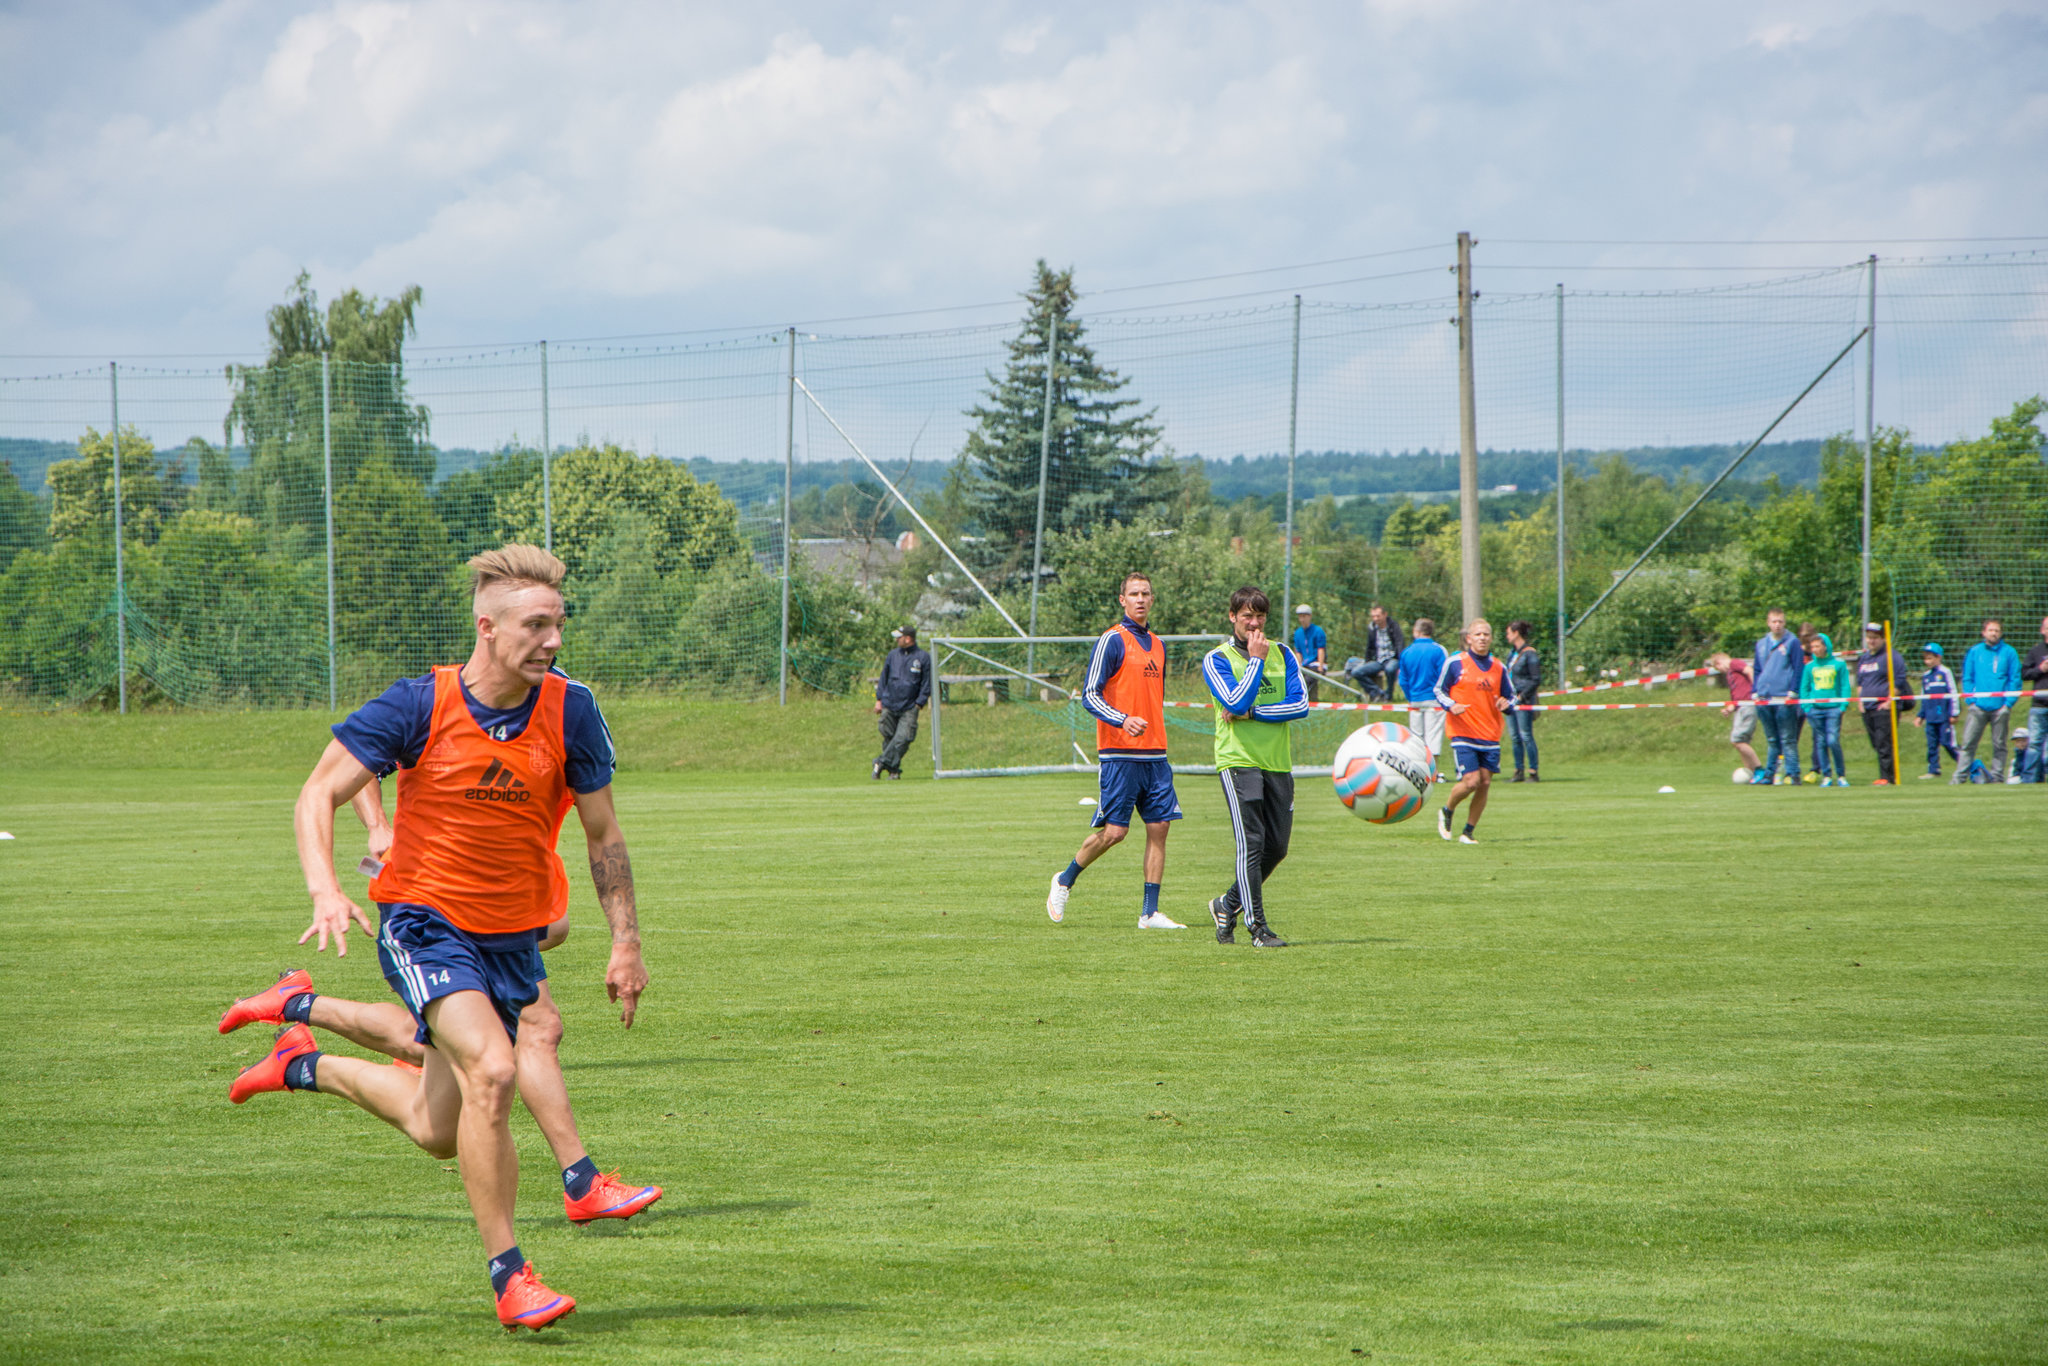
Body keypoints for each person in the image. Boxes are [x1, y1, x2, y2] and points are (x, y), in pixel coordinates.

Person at [227, 544, 651, 1332]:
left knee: (435, 1129)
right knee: (494, 1068)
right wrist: (325, 887)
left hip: (511, 941)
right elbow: (320, 790)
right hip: (422, 921)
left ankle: (301, 1062)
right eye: (535, 625)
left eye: (559, 623)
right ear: (486, 628)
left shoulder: (573, 710)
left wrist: (625, 941)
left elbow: (604, 835)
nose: (553, 640)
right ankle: (512, 1277)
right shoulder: (419, 703)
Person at [221, 785, 660, 1232]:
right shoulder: (443, 714)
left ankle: (298, 1042)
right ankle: (575, 1188)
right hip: (441, 900)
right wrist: (375, 826)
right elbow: (342, 771)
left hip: (505, 895)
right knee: (531, 1031)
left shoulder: (566, 719)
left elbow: (598, 823)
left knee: (436, 1128)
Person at [1046, 572, 1186, 930]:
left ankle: (1149, 912)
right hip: (1120, 754)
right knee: (1115, 833)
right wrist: (1123, 720)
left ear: (1153, 599)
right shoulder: (1112, 640)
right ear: (1122, 599)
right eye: (1134, 594)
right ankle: (1064, 879)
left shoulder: (1158, 644)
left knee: (1159, 828)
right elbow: (1090, 695)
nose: (1140, 599)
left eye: (1146, 593)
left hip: (1155, 755)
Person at [1202, 586, 1310, 948]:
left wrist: (1253, 713)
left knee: (1276, 848)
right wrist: (1255, 661)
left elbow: (1299, 706)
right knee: (1252, 844)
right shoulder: (1216, 659)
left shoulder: (1284, 654)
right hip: (1238, 761)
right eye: (1247, 616)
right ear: (1232, 617)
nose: (1254, 623)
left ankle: (1226, 904)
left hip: (1277, 762)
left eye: (1260, 616)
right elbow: (1234, 699)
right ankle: (1257, 928)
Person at [1433, 619, 1517, 844]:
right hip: (1463, 732)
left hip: (1489, 734)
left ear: (1491, 638)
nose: (1482, 638)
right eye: (1478, 634)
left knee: (1485, 783)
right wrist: (1451, 705)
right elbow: (1439, 690)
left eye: (1486, 634)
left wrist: (1506, 704)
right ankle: (1447, 810)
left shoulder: (1499, 667)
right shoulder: (1455, 663)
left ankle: (1468, 832)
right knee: (1471, 781)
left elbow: (1512, 696)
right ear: (1469, 638)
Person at [1957, 618, 2022, 784]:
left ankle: (1997, 778)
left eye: (1997, 630)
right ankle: (1959, 778)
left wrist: (2008, 703)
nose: (1994, 633)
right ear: (1984, 632)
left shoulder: (2009, 653)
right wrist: (1970, 701)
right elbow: (1967, 677)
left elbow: (2014, 679)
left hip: (2000, 707)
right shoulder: (1974, 652)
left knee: (1999, 745)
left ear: (2000, 633)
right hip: (1978, 707)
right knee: (1968, 743)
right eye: (1991, 630)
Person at [1852, 623, 1913, 785]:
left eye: (1875, 638)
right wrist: (1860, 702)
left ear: (1882, 638)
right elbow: (1860, 682)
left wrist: (1888, 701)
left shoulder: (1891, 656)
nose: (1871, 641)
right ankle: (1886, 775)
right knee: (1876, 743)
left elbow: (1899, 680)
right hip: (1868, 707)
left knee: (1884, 742)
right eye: (1869, 638)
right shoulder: (1864, 658)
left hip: (1884, 707)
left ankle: (1887, 777)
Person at [1752, 609, 1805, 785]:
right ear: (1768, 623)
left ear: (1784, 623)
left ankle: (1793, 773)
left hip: (1784, 697)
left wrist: (1793, 690)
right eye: (1774, 621)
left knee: (1788, 737)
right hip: (1764, 697)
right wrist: (1755, 690)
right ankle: (1769, 773)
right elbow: (1757, 669)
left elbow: (1798, 667)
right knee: (1772, 738)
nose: (1777, 625)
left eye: (1780, 621)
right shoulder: (1761, 644)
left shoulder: (1792, 642)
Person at [872, 625, 932, 779]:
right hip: (890, 704)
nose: (897, 640)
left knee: (904, 738)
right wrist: (879, 700)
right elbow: (884, 677)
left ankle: (880, 763)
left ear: (908, 638)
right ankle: (893, 771)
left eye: (899, 637)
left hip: (909, 706)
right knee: (889, 737)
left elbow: (927, 683)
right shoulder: (892, 655)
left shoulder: (923, 657)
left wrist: (919, 703)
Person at [1397, 618, 1450, 777]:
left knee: (1416, 737)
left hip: (1415, 699)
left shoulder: (1407, 652)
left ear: (1416, 631)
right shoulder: (1439, 650)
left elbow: (1403, 679)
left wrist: (1410, 696)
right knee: (1433, 736)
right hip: (1434, 699)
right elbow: (1445, 675)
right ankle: (1433, 771)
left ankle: (1419, 771)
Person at [1798, 631, 1850, 786]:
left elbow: (1845, 686)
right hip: (1815, 710)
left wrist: (1843, 705)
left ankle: (1841, 775)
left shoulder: (1839, 664)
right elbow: (1804, 688)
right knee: (1820, 742)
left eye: (1817, 646)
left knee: (1832, 740)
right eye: (1812, 647)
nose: (1814, 649)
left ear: (1825, 646)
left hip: (1834, 709)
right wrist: (1807, 707)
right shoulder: (1809, 667)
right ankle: (1826, 775)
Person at [1709, 651, 1762, 774]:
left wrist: (1756, 691)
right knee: (1740, 742)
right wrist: (1729, 708)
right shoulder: (1730, 674)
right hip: (1740, 707)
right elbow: (1736, 697)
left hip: (1748, 704)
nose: (1720, 671)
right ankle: (1750, 771)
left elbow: (1749, 670)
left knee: (1738, 740)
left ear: (1719, 662)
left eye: (1718, 668)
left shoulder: (1734, 663)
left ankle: (1759, 769)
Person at [1913, 643, 1960, 779]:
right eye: (1925, 659)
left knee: (1948, 743)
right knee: (1932, 744)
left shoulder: (1945, 672)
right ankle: (1934, 769)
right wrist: (1920, 715)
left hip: (1944, 716)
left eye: (1930, 658)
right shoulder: (1926, 676)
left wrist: (1954, 713)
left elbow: (1953, 693)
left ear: (1938, 657)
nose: (1927, 661)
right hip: (1930, 717)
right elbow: (1924, 697)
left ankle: (1964, 764)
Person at [1343, 604, 1406, 703]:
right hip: (1377, 660)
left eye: (1378, 616)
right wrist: (1367, 661)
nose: (1375, 619)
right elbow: (1369, 646)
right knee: (1356, 672)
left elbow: (1399, 643)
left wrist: (1401, 660)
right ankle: (1377, 693)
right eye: (1373, 616)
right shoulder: (1372, 628)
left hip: (1392, 658)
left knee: (1390, 669)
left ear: (1385, 615)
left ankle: (1389, 695)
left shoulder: (1394, 626)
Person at [1503, 620, 1542, 782]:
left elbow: (1535, 679)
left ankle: (1533, 771)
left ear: (1516, 633)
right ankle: (1518, 770)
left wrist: (1522, 696)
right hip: (1510, 700)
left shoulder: (1530, 654)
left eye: (1509, 633)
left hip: (1523, 700)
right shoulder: (1512, 654)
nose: (1507, 636)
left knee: (1526, 735)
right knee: (1514, 736)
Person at [2023, 617, 2048, 782]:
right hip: (2039, 705)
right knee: (2034, 743)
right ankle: (2030, 779)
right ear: (2042, 630)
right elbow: (2024, 674)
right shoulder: (2035, 651)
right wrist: (2041, 669)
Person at [1292, 604, 1328, 702]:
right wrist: (1299, 667)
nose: (1302, 619)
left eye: (1304, 616)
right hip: (1305, 665)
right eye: (1300, 616)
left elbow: (1321, 649)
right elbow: (1298, 651)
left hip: (1317, 663)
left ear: (1310, 616)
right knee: (1297, 680)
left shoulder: (1318, 631)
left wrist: (1320, 666)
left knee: (1307, 680)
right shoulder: (1298, 633)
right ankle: (1302, 701)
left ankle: (1308, 701)